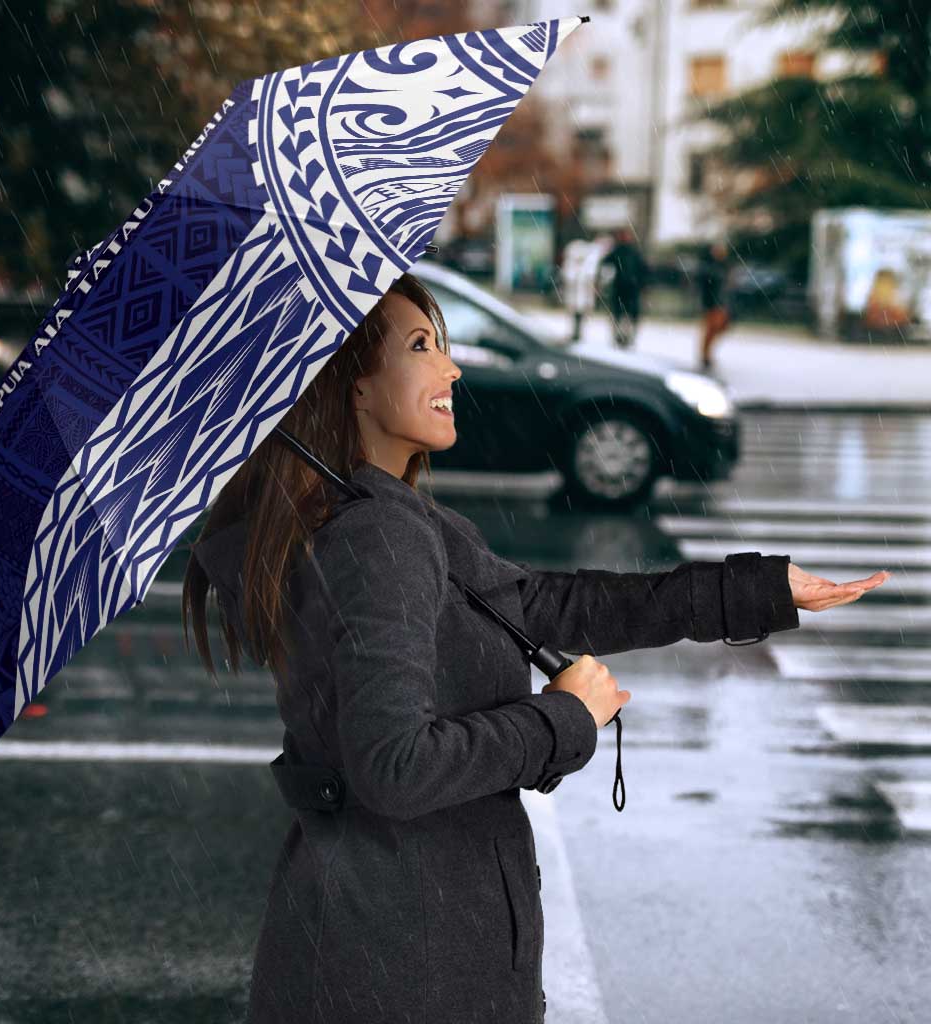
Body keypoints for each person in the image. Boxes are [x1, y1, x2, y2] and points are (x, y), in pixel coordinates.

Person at [183, 272, 888, 1024]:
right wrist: (562, 719)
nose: (451, 368)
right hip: (403, 963)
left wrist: (756, 590)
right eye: (421, 347)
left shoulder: (387, 520)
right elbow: (394, 767)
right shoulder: (376, 536)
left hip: (388, 944)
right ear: (353, 387)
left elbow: (551, 606)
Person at [599, 226, 649, 349]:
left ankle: (626, 337)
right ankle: (620, 337)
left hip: (630, 288)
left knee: (627, 315)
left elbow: (643, 270)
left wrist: (642, 284)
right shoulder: (619, 251)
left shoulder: (632, 252)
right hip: (622, 288)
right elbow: (605, 264)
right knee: (620, 314)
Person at [697, 239, 733, 370]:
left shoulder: (724, 266)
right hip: (712, 303)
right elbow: (706, 286)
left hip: (721, 303)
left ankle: (706, 354)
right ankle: (705, 355)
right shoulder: (709, 267)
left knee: (719, 328)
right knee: (711, 329)